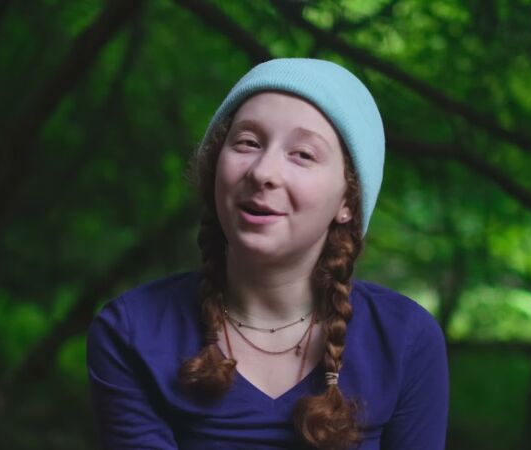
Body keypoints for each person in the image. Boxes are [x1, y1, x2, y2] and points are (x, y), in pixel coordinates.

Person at [86, 57, 449, 450]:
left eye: (302, 154)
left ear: (348, 199)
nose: (263, 172)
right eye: (248, 142)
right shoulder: (132, 332)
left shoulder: (404, 340)